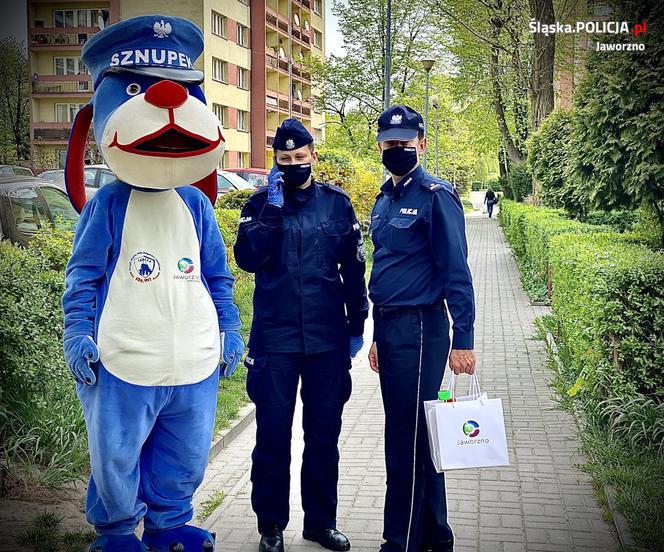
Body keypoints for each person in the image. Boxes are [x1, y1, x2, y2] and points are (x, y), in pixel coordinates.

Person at [234, 118, 368, 552]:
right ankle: (270, 526)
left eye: (299, 157)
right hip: (275, 340)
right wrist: (272, 209)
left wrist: (356, 324)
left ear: (313, 155)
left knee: (323, 435)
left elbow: (354, 269)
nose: (293, 164)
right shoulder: (258, 205)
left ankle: (320, 523)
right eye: (284, 158)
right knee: (272, 436)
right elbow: (249, 260)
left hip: (327, 341)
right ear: (276, 161)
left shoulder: (336, 204)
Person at [367, 105, 476, 552]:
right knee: (423, 435)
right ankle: (435, 536)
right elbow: (385, 270)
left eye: (404, 143)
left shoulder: (435, 196)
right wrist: (376, 333)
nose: (396, 150)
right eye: (389, 144)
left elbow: (457, 271)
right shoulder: (383, 198)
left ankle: (400, 542)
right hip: (392, 330)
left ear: (422, 144)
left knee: (405, 441)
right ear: (380, 147)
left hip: (420, 329)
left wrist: (463, 339)